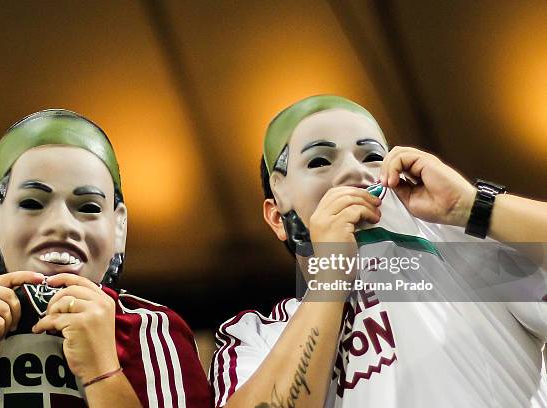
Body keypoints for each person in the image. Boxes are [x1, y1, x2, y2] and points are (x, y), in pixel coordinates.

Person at [210, 95, 547, 407]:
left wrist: (473, 206)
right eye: (319, 161)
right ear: (277, 216)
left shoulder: (463, 250)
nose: (355, 172)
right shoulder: (256, 336)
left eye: (372, 156)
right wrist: (330, 278)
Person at [0, 110, 212, 407]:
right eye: (32, 203)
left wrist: (104, 374)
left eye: (89, 206)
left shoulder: (154, 332)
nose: (62, 225)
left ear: (119, 229)